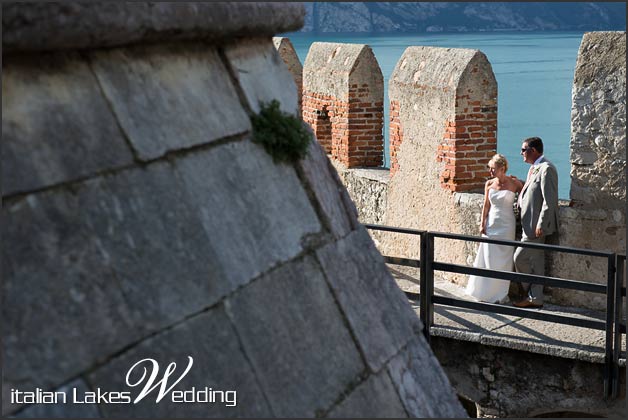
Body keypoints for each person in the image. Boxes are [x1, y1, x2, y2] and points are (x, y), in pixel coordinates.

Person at [466, 154, 523, 303]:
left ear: (502, 168)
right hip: (492, 224)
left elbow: (527, 191)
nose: (490, 172)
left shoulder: (514, 183)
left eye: (493, 169)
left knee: (503, 260)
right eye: (489, 168)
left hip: (507, 225)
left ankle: (499, 294)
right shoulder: (489, 184)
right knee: (488, 257)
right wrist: (482, 222)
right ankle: (485, 292)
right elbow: (486, 205)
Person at [512, 137, 559, 308]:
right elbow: (533, 192)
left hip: (536, 227)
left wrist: (541, 223)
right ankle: (535, 297)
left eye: (523, 150)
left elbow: (550, 200)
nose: (521, 153)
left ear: (533, 150)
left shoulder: (546, 169)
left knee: (519, 258)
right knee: (537, 262)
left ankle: (531, 292)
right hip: (528, 224)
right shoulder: (533, 168)